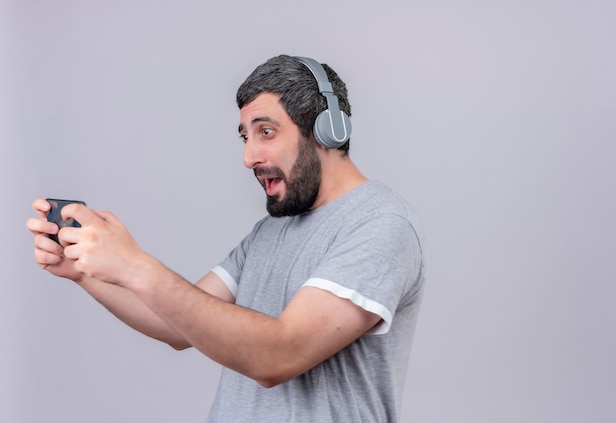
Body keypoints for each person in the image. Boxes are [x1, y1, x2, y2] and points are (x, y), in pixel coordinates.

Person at [26, 54, 426, 422]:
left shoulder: (380, 223)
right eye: (245, 137)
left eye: (266, 131)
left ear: (328, 129)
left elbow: (279, 355)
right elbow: (177, 326)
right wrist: (85, 271)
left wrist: (136, 265)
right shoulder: (269, 232)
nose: (249, 157)